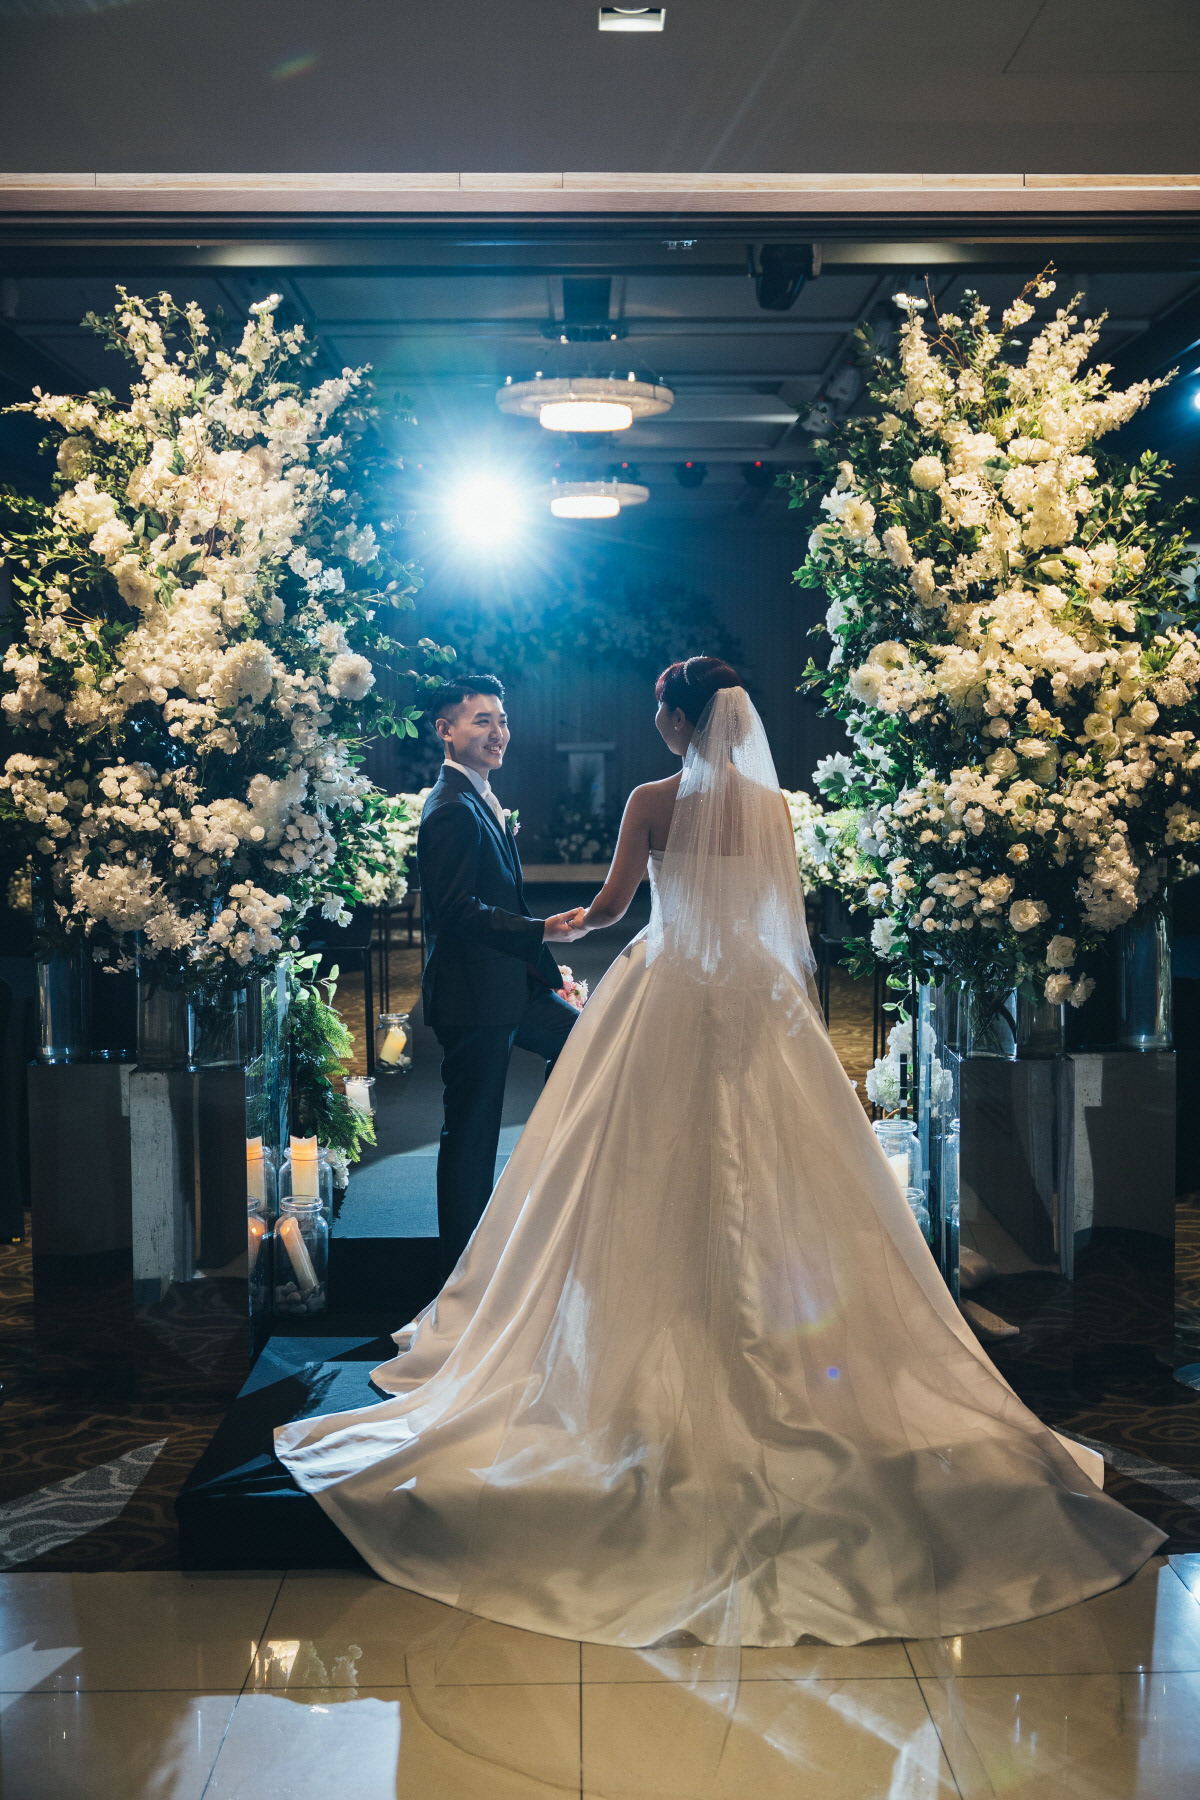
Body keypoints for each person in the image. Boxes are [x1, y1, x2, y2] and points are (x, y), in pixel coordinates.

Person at [277, 658, 1162, 1650]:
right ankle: (796, 1344)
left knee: (635, 1158)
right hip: (758, 994)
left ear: (675, 719)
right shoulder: (773, 806)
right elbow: (784, 919)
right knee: (785, 1166)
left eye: (659, 708)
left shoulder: (653, 800)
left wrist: (569, 929)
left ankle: (640, 1339)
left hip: (670, 987)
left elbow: (616, 907)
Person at [415, 673, 580, 1273]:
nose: (497, 732)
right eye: (482, 721)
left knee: (585, 1041)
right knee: (471, 1135)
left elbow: (498, 898)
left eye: (502, 721)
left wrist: (545, 967)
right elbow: (456, 912)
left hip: (512, 985)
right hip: (474, 996)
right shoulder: (450, 809)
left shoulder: (478, 796)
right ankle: (461, 1280)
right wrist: (543, 931)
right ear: (446, 730)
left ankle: (561, 1192)